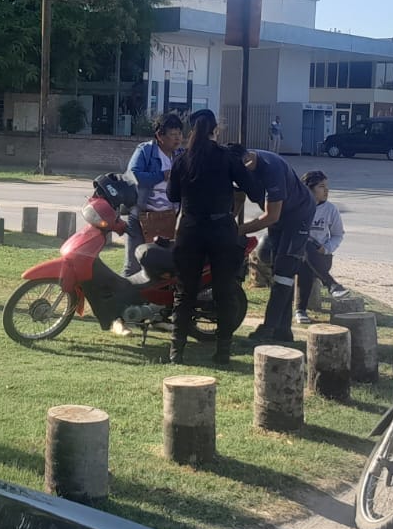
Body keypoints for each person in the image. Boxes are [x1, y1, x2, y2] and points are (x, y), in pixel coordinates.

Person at [166, 109, 260, 366]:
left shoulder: (182, 160)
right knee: (224, 291)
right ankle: (223, 351)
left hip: (191, 229)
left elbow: (173, 196)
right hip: (221, 230)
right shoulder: (227, 157)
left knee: (184, 293)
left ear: (191, 131)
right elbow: (252, 189)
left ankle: (177, 352)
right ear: (215, 130)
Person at [233, 144, 317, 345]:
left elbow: (271, 216)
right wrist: (230, 221)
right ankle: (283, 330)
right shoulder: (240, 168)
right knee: (279, 272)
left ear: (249, 160)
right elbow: (238, 196)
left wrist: (239, 230)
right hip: (279, 218)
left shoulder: (273, 169)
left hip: (297, 217)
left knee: (284, 271)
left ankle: (268, 329)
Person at [122, 113, 185, 277]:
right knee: (133, 266)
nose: (177, 138)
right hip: (141, 217)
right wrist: (162, 175)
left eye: (179, 134)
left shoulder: (181, 154)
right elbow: (133, 175)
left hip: (169, 218)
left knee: (164, 268)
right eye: (172, 134)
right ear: (160, 135)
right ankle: (127, 301)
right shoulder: (146, 150)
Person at [293, 170, 347, 325]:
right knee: (306, 248)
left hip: (322, 257)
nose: (327, 190)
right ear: (309, 189)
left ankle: (300, 310)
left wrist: (326, 248)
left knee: (309, 256)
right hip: (298, 255)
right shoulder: (298, 207)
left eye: (327, 186)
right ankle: (331, 284)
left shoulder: (331, 209)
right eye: (322, 186)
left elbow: (338, 235)